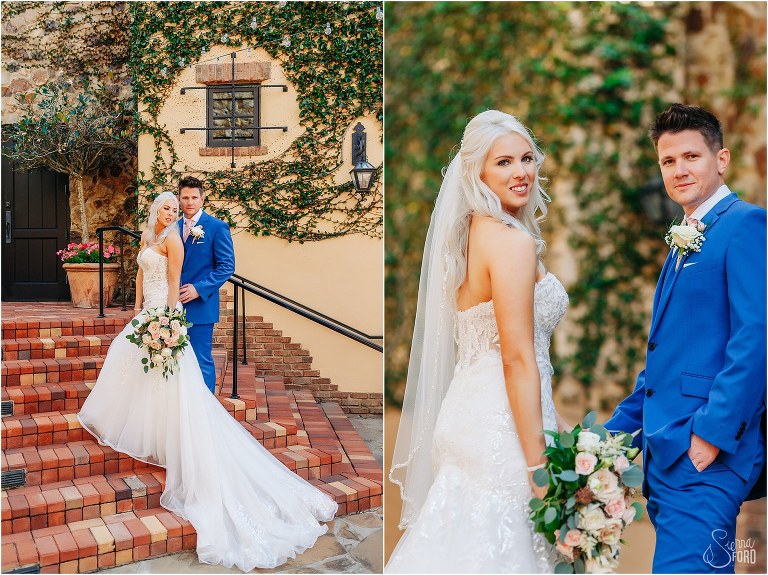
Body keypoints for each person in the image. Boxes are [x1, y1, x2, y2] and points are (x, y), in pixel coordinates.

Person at [77, 192, 338, 571]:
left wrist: (167, 318)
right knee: (147, 375)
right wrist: (138, 310)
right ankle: (158, 436)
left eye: (180, 202)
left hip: (169, 314)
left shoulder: (192, 234)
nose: (175, 208)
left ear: (197, 200)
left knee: (187, 376)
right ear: (159, 209)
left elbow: (179, 277)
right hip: (149, 314)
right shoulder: (154, 235)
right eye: (169, 203)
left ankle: (191, 434)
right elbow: (141, 272)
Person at [387, 110, 571, 573]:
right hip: (503, 427)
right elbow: (516, 357)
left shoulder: (468, 236)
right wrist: (538, 466)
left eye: (527, 158)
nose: (521, 172)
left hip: (470, 410)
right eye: (504, 162)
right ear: (478, 172)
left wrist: (559, 426)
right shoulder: (511, 242)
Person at [605, 104, 766, 573]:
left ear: (722, 159)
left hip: (704, 458)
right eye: (668, 161)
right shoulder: (686, 237)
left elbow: (756, 337)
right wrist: (610, 439)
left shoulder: (745, 225)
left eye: (691, 157)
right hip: (668, 455)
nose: (679, 170)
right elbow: (666, 361)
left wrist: (710, 437)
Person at [177, 176, 235, 393]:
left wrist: (198, 288)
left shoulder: (217, 227)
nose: (189, 201)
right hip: (173, 305)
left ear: (202, 199)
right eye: (185, 197)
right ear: (179, 199)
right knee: (175, 360)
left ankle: (207, 411)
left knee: (201, 360)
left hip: (200, 306)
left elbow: (226, 266)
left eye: (194, 197)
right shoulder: (173, 227)